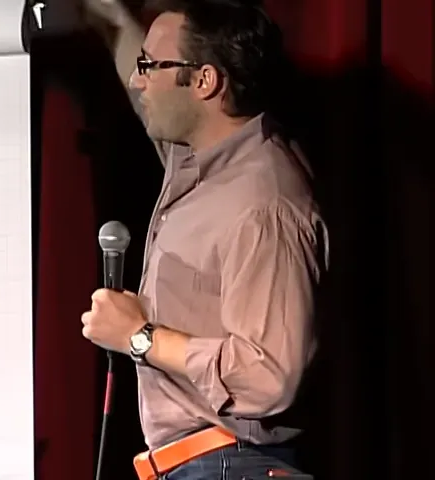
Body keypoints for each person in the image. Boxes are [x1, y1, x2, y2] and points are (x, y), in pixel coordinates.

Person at [79, 1, 329, 478]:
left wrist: (140, 337)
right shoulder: (198, 167)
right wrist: (111, 20)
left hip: (233, 465)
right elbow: (141, 96)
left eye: (150, 66)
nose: (137, 80)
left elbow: (270, 373)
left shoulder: (263, 202)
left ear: (204, 81)